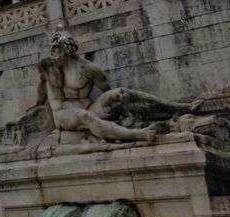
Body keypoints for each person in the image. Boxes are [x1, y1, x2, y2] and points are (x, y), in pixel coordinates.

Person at [36, 28, 202, 142]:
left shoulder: (89, 69)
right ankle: (135, 135)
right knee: (84, 116)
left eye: (58, 50)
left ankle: (179, 107)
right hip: (63, 116)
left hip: (90, 109)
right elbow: (42, 88)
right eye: (54, 50)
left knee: (120, 93)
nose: (56, 54)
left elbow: (107, 91)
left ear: (68, 50)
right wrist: (36, 106)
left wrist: (118, 105)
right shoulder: (48, 66)